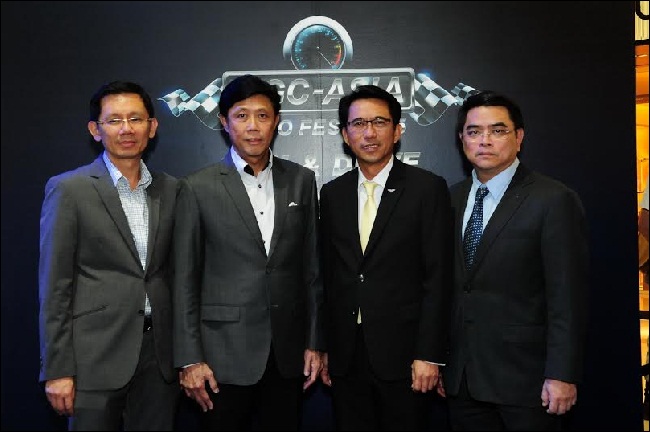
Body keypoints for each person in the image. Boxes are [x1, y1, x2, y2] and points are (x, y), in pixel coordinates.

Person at [172, 74, 324, 431]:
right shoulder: (196, 187)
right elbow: (184, 279)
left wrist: (315, 342)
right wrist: (190, 359)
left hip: (287, 355)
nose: (253, 126)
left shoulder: (301, 180)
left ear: (276, 122)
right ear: (224, 123)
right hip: (221, 356)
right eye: (241, 116)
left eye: (262, 115)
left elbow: (312, 270)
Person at [440, 90, 589, 430]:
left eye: (498, 130)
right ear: (462, 139)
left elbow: (568, 297)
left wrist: (562, 374)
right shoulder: (450, 198)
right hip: (463, 381)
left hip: (529, 382)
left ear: (519, 137)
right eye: (474, 131)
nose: (485, 140)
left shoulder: (553, 199)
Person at [38, 81, 180, 430]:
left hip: (159, 358)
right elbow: (55, 285)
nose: (126, 129)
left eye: (135, 119)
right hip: (94, 357)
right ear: (95, 130)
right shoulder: (69, 189)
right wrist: (57, 368)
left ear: (152, 127)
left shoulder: (172, 190)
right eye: (114, 120)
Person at [319, 84, 453, 430]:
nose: (369, 133)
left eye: (379, 122)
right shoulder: (332, 194)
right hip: (347, 357)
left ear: (397, 131)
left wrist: (429, 354)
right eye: (358, 124)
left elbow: (439, 277)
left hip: (406, 357)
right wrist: (325, 347)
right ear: (345, 135)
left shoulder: (427, 189)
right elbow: (328, 277)